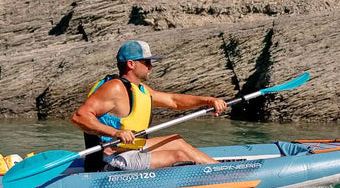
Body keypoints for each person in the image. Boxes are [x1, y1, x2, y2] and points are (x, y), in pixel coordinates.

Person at [71, 40, 227, 172]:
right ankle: (221, 176)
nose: (151, 66)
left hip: (132, 149)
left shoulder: (140, 89)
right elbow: (79, 117)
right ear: (131, 64)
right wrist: (116, 132)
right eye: (147, 62)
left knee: (176, 141)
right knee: (179, 155)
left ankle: (221, 170)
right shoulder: (114, 88)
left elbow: (173, 101)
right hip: (114, 159)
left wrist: (207, 100)